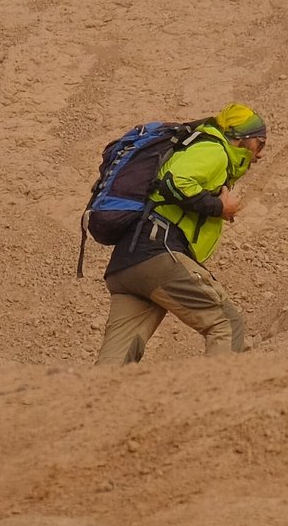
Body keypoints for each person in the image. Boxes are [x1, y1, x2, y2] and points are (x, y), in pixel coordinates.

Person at [98, 103, 267, 365]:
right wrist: (219, 206)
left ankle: (92, 404)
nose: (261, 154)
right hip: (156, 252)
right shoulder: (214, 150)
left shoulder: (199, 147)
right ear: (243, 140)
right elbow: (173, 182)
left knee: (115, 361)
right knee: (227, 324)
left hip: (128, 266)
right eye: (261, 143)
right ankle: (217, 403)